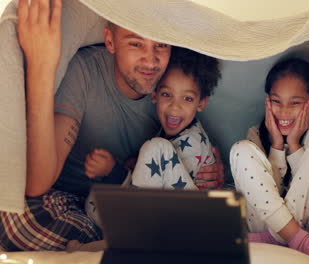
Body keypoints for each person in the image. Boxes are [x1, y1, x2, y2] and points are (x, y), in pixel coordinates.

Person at [1, 0, 223, 251]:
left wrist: (206, 170)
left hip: (123, 202)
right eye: (135, 43)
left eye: (160, 44)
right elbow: (37, 184)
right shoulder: (84, 71)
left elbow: (185, 145)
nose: (150, 61)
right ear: (110, 41)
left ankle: (125, 244)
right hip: (67, 201)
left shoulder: (171, 87)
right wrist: (43, 65)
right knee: (15, 218)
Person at [85, 47, 222, 226]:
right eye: (167, 94)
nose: (175, 107)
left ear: (201, 103)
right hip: (158, 211)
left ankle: (136, 233)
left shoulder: (192, 142)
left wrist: (117, 173)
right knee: (93, 202)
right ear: (154, 94)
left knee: (155, 148)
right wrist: (136, 166)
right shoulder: (165, 131)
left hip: (192, 222)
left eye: (187, 99)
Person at [230, 58, 309, 261]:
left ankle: (282, 238)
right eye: (277, 101)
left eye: (294, 103)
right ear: (267, 101)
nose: (284, 112)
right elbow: (267, 194)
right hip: (262, 228)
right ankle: (294, 238)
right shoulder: (256, 135)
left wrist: (293, 143)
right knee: (240, 150)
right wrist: (276, 145)